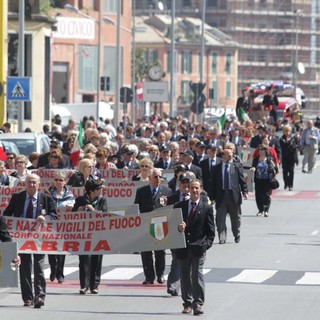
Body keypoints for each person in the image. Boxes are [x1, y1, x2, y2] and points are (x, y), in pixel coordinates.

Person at [3, 174, 57, 308]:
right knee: (24, 267)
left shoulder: (46, 198)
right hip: (22, 238)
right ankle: (27, 298)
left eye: (34, 182)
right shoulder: (18, 197)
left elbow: (54, 217)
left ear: (39, 184)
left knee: (39, 267)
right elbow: (6, 215)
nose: (31, 185)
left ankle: (40, 296)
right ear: (25, 184)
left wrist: (45, 218)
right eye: (29, 182)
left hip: (39, 239)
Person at [175, 179, 215, 315]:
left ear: (201, 189)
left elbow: (211, 232)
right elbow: (171, 227)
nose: (194, 191)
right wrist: (178, 228)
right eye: (192, 188)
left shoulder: (207, 208)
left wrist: (205, 245)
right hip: (183, 247)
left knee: (196, 275)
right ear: (188, 189)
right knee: (184, 275)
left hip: (199, 247)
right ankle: (187, 303)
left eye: (197, 188)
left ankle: (197, 303)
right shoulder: (179, 206)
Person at [134, 168, 172, 285]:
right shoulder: (141, 191)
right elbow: (136, 207)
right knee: (146, 252)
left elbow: (171, 208)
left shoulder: (167, 191)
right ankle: (149, 277)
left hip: (160, 225)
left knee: (160, 251)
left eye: (160, 177)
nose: (158, 179)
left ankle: (160, 274)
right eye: (155, 177)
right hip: (145, 225)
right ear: (150, 178)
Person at [72, 179, 107, 294]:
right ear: (91, 191)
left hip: (98, 233)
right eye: (98, 189)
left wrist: (94, 211)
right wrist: (77, 210)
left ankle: (94, 285)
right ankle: (84, 285)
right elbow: (70, 216)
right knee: (84, 259)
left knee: (97, 259)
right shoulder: (80, 200)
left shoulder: (102, 200)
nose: (100, 190)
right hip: (84, 234)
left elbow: (106, 216)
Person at [211, 149, 248, 244]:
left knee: (236, 218)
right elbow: (213, 184)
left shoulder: (237, 166)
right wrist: (211, 197)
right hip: (221, 196)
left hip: (233, 196)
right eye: (228, 155)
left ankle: (236, 234)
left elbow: (241, 180)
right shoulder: (216, 168)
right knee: (220, 218)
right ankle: (222, 237)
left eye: (231, 155)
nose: (231, 157)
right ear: (223, 156)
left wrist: (245, 191)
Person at [47, 171, 75, 284]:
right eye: (56, 180)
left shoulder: (69, 193)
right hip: (51, 225)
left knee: (61, 249)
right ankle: (53, 268)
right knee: (50, 248)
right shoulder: (48, 193)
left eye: (61, 180)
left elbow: (73, 205)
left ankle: (60, 273)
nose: (58, 182)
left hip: (63, 225)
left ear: (65, 182)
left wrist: (71, 207)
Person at [250, 145, 277, 217]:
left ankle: (266, 210)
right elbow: (253, 166)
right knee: (258, 195)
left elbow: (275, 168)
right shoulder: (256, 159)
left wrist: (273, 166)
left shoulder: (269, 159)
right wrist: (253, 169)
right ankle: (260, 210)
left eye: (261, 150)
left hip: (266, 180)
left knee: (266, 195)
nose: (260, 151)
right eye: (259, 150)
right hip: (258, 179)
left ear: (265, 151)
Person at [279, 125, 299, 190]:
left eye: (288, 131)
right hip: (284, 157)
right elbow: (281, 147)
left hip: (292, 157)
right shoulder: (281, 139)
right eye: (286, 131)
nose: (287, 132)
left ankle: (290, 185)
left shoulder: (293, 138)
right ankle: (286, 183)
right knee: (285, 171)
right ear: (283, 132)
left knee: (291, 171)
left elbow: (297, 146)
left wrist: (293, 146)